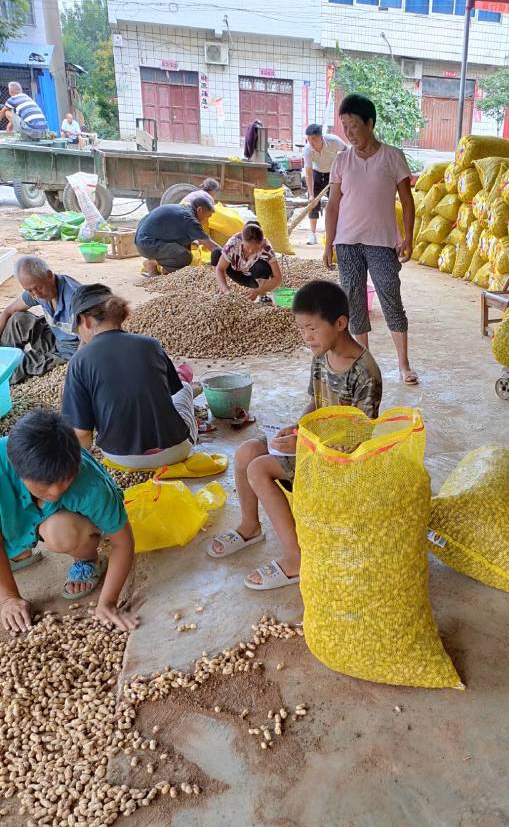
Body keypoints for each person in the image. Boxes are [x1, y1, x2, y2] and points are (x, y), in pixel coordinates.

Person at [206, 280, 382, 591]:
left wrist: (305, 443)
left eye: (312, 328)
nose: (306, 336)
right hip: (313, 444)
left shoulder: (364, 370)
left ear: (340, 323)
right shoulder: (321, 356)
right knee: (246, 451)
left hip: (340, 459)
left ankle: (296, 557)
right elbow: (314, 402)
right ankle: (250, 527)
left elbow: (361, 435)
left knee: (259, 468)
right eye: (301, 328)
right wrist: (298, 428)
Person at [0, 409, 138, 631]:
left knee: (60, 533)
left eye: (65, 481)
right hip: (16, 510)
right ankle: (17, 551)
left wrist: (108, 602)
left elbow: (122, 542)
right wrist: (8, 599)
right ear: (19, 472)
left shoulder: (89, 484)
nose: (55, 492)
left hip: (67, 520)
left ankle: (87, 559)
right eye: (44, 487)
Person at [325, 93, 417, 385]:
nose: (349, 132)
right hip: (347, 242)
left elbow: (407, 200)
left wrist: (409, 237)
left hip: (382, 242)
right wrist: (328, 243)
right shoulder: (342, 160)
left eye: (353, 125)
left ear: (370, 122)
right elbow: (333, 205)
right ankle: (365, 364)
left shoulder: (393, 157)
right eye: (344, 126)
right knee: (353, 303)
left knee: (391, 297)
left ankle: (403, 365)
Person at [61, 284, 199, 469]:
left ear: (85, 320)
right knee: (185, 390)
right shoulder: (151, 344)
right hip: (175, 452)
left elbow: (82, 434)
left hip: (120, 458)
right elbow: (173, 391)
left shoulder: (79, 362)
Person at [0, 256, 81, 383]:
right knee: (18, 319)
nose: (35, 295)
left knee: (12, 371)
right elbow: (8, 311)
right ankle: (4, 358)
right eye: (29, 291)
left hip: (70, 352)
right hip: (55, 338)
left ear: (49, 275)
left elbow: (90, 345)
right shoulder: (38, 288)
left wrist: (75, 373)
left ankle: (9, 369)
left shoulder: (76, 300)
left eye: (37, 288)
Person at [135, 194, 218, 276]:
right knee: (185, 257)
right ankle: (151, 263)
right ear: (200, 210)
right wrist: (227, 255)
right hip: (146, 244)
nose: (207, 220)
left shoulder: (185, 209)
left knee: (186, 246)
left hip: (142, 240)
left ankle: (166, 270)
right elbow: (212, 246)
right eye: (208, 216)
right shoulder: (190, 219)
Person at [212, 222, 282, 303]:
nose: (251, 251)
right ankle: (220, 289)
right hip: (236, 273)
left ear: (261, 242)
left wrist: (258, 291)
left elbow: (278, 278)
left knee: (262, 267)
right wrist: (226, 291)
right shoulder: (234, 243)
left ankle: (263, 296)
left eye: (255, 248)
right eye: (247, 247)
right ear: (242, 240)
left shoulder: (266, 248)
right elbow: (220, 268)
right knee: (216, 254)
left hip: (254, 279)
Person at [302, 123, 347, 246]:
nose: (311, 142)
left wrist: (341, 168)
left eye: (314, 139)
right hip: (316, 174)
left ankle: (337, 233)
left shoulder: (333, 141)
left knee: (337, 203)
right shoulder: (307, 150)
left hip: (332, 174)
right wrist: (311, 195)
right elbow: (309, 173)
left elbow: (346, 152)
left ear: (321, 137)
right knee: (312, 204)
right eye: (309, 139)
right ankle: (313, 234)